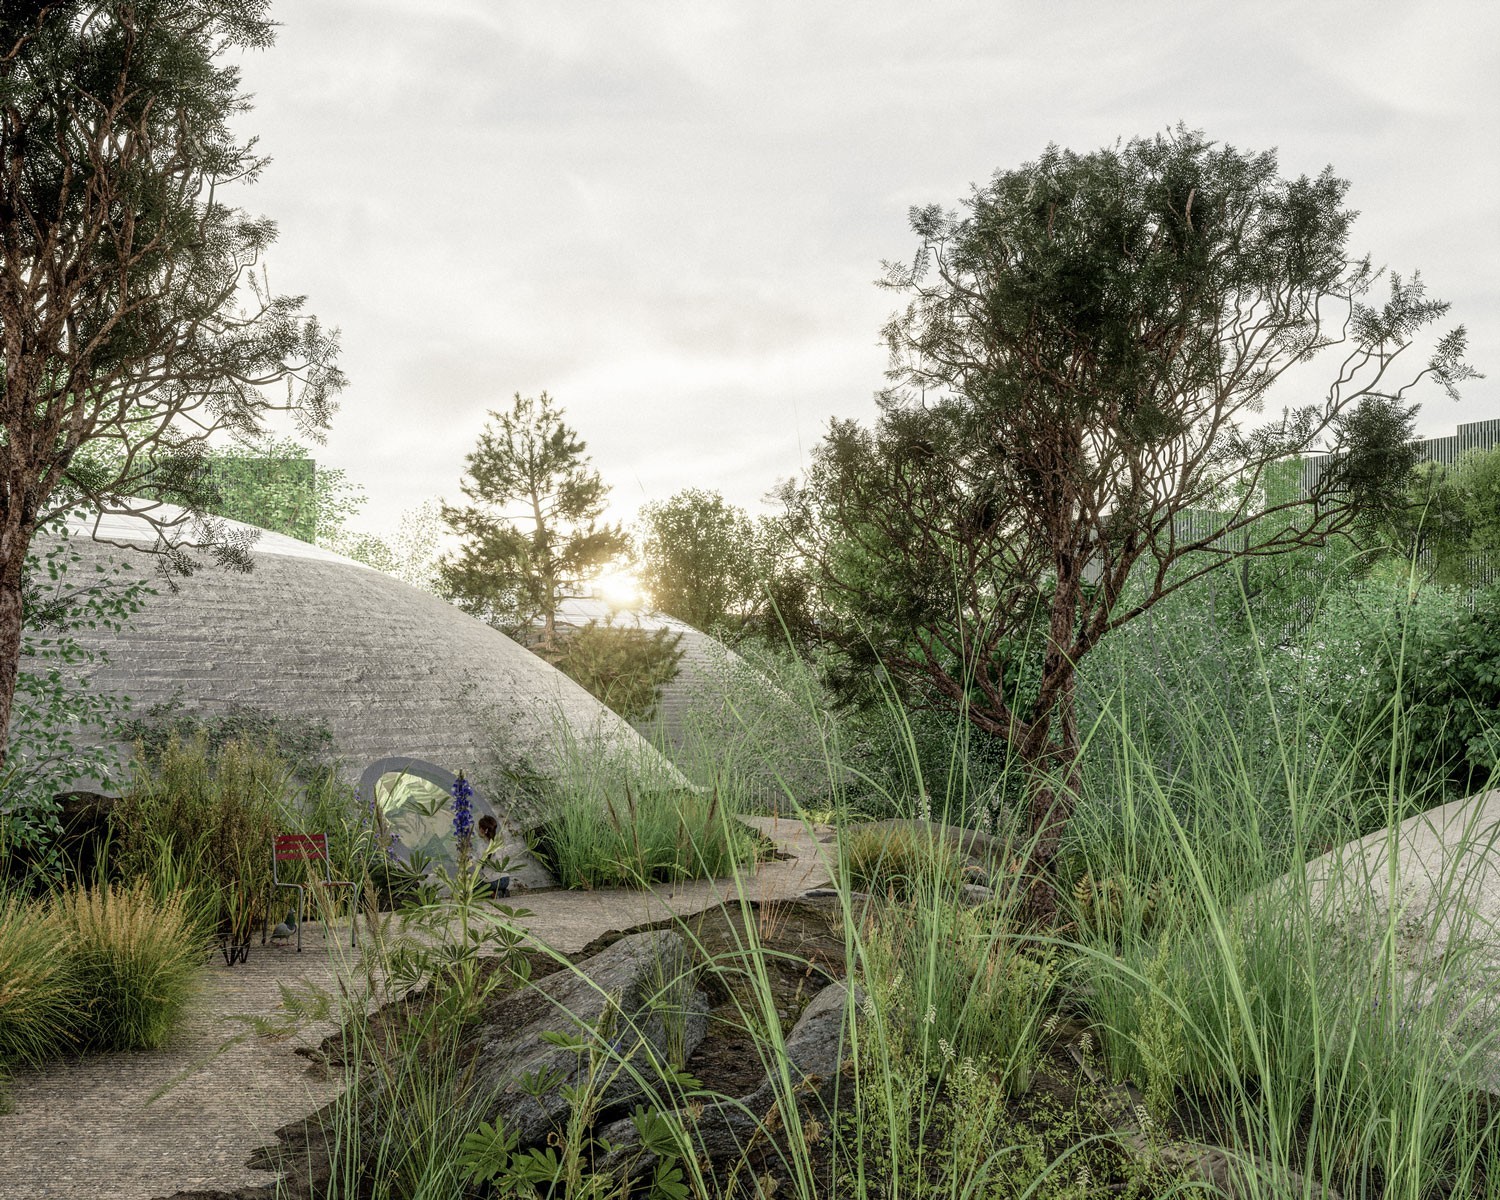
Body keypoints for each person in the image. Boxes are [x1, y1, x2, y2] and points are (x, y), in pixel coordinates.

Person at [475, 813, 511, 899]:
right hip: (505, 879)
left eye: (479, 828)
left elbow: (479, 865)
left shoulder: (483, 845)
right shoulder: (500, 843)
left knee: (473, 889)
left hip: (493, 881)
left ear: (483, 830)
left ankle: (492, 894)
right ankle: (502, 892)